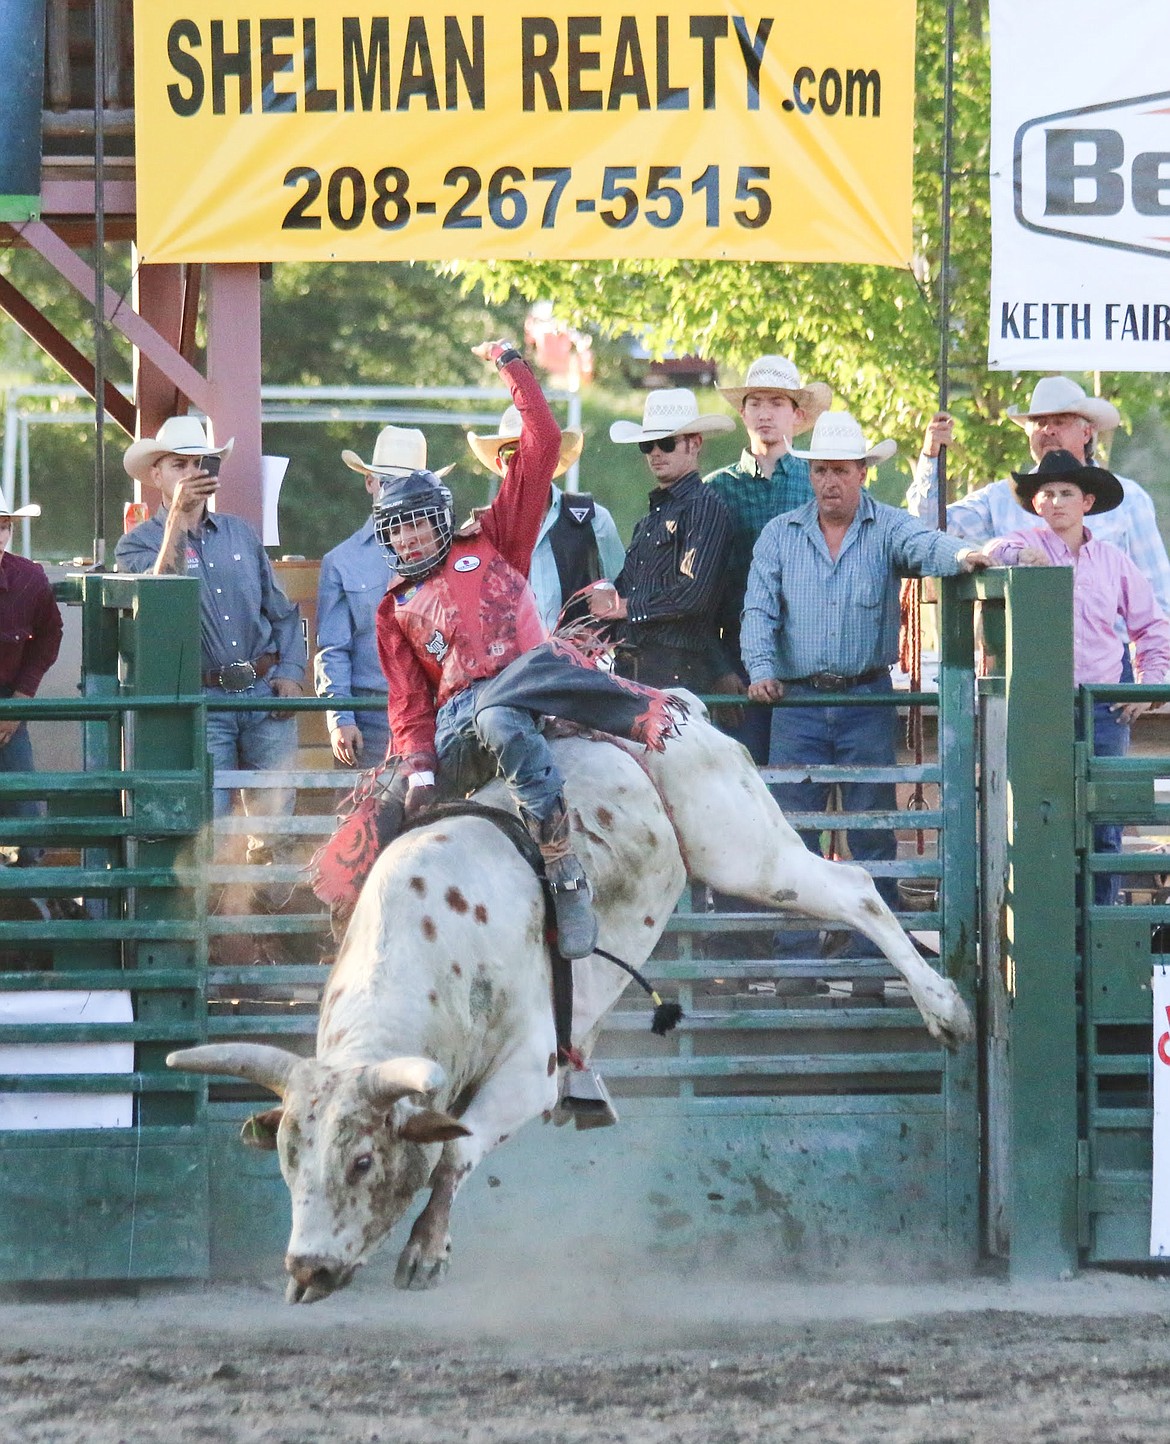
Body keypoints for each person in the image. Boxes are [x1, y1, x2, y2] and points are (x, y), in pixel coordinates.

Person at [742, 411, 990, 986]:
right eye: (822, 470)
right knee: (794, 831)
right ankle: (796, 965)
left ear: (862, 474)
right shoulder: (780, 533)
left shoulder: (887, 529)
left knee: (873, 831)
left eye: (842, 470)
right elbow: (759, 609)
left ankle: (872, 961)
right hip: (797, 702)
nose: (831, 481)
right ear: (812, 474)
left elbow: (925, 543)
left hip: (865, 700)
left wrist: (962, 555)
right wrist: (761, 668)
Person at [983, 449, 1170, 904]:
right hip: (1043, 705)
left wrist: (1148, 686)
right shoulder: (1023, 543)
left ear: (1087, 502)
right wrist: (1020, 555)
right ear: (1036, 504)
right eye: (1046, 493)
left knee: (1103, 823)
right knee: (1041, 819)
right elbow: (991, 552)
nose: (1056, 501)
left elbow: (1152, 624)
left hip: (1102, 706)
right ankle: (1047, 931)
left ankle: (1098, 928)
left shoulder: (1113, 561)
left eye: (1066, 492)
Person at [116, 416, 307, 861]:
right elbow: (158, 595)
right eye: (179, 464)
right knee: (212, 827)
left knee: (275, 825)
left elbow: (282, 611)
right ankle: (217, 925)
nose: (190, 473)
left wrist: (292, 674)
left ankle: (270, 922)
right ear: (156, 475)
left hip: (262, 692)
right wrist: (178, 522)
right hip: (204, 700)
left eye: (198, 463)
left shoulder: (241, 533)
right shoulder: (136, 544)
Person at [907, 376, 1170, 620]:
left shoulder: (1128, 498)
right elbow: (928, 524)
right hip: (1020, 653)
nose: (1048, 430)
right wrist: (931, 457)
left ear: (1087, 433)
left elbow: (1157, 593)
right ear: (1029, 433)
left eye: (1059, 422)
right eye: (1040, 423)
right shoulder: (1000, 497)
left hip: (1107, 658)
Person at [705, 355, 832, 760]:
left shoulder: (818, 481)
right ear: (743, 412)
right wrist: (720, 666)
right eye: (756, 403)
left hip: (809, 658)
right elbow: (702, 591)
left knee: (805, 785)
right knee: (748, 783)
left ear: (796, 414)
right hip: (739, 658)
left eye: (777, 403)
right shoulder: (716, 490)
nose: (765, 414)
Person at [318, 427, 453, 767]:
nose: (396, 493)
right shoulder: (341, 561)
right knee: (364, 814)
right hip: (371, 714)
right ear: (370, 483)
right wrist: (341, 718)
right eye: (387, 482)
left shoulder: (449, 555)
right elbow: (333, 648)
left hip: (439, 708)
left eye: (406, 484)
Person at [594, 389, 734, 689]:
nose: (656, 452)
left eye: (667, 443)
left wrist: (626, 607)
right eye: (648, 444)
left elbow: (693, 595)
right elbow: (624, 590)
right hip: (634, 667)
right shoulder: (649, 520)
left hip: (677, 669)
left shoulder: (704, 506)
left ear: (694, 443)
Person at [467, 405, 624, 630]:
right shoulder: (477, 531)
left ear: (552, 459)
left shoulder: (595, 520)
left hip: (576, 662)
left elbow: (624, 591)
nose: (525, 465)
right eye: (512, 455)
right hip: (506, 664)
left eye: (535, 453)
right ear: (500, 464)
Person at [0, 491, 64, 863]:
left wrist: (19, 703)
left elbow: (49, 637)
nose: (0, 536)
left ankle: (30, 893)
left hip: (8, 701)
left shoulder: (30, 579)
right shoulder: (29, 578)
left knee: (24, 808)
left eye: (4, 526)